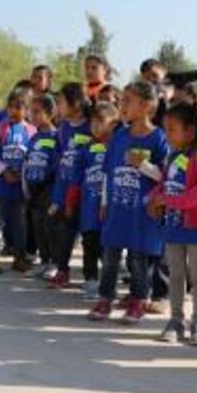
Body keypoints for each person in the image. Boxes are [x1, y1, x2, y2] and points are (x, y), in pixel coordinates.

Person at [89, 82, 169, 324]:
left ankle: (137, 301)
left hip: (142, 212)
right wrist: (104, 200)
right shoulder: (120, 135)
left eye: (127, 101)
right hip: (117, 209)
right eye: (121, 100)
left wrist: (142, 166)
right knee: (111, 255)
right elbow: (108, 172)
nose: (121, 106)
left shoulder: (159, 139)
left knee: (139, 259)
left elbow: (165, 176)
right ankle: (105, 298)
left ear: (147, 106)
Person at [150, 102, 197, 346]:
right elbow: (164, 181)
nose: (167, 135)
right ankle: (176, 321)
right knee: (176, 276)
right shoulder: (174, 156)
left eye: (172, 129)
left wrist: (171, 200)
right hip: (173, 227)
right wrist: (155, 198)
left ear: (190, 131)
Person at [0, 91, 35, 274]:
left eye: (19, 107)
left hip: (20, 187)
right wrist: (4, 171)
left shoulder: (31, 131)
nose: (13, 111)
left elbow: (33, 157)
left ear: (27, 110)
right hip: (1, 185)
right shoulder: (1, 127)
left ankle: (19, 258)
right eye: (10, 106)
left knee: (20, 224)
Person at [47, 82, 92, 289]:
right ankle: (62, 270)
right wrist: (57, 198)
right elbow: (60, 163)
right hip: (66, 192)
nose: (58, 107)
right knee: (64, 232)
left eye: (61, 102)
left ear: (76, 104)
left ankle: (93, 277)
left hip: (88, 192)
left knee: (91, 237)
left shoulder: (92, 126)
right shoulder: (63, 128)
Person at [75, 102, 119, 300]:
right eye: (93, 121)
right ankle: (91, 281)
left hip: (110, 211)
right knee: (90, 245)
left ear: (113, 124)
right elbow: (77, 176)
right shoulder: (86, 148)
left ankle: (111, 283)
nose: (95, 126)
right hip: (89, 210)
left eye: (101, 121)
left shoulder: (117, 148)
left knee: (110, 249)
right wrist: (69, 201)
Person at [24, 94, 60, 277]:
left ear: (51, 112)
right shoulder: (35, 137)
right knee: (37, 226)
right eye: (31, 112)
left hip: (48, 189)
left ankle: (55, 262)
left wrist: (45, 182)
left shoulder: (57, 136)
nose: (33, 115)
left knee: (49, 226)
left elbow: (56, 164)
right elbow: (29, 160)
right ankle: (44, 261)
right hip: (33, 189)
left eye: (37, 112)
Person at [140, 58, 172, 125]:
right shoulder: (141, 99)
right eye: (147, 78)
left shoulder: (173, 94)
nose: (151, 80)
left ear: (164, 73)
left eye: (155, 75)